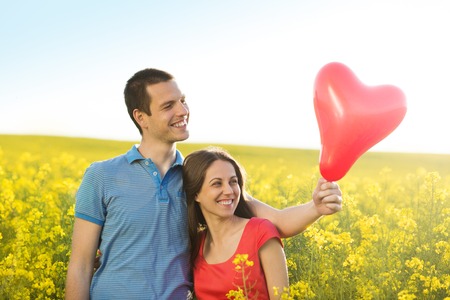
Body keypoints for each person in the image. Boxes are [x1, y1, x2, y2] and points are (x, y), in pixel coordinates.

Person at [65, 68, 343, 299]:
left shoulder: (195, 178)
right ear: (141, 117)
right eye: (168, 105)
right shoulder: (101, 176)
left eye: (183, 100)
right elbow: (80, 265)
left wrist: (316, 207)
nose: (182, 110)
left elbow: (277, 222)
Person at [183, 147, 289, 299]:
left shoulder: (261, 232)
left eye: (233, 182)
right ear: (196, 194)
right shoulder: (196, 244)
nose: (229, 191)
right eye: (217, 184)